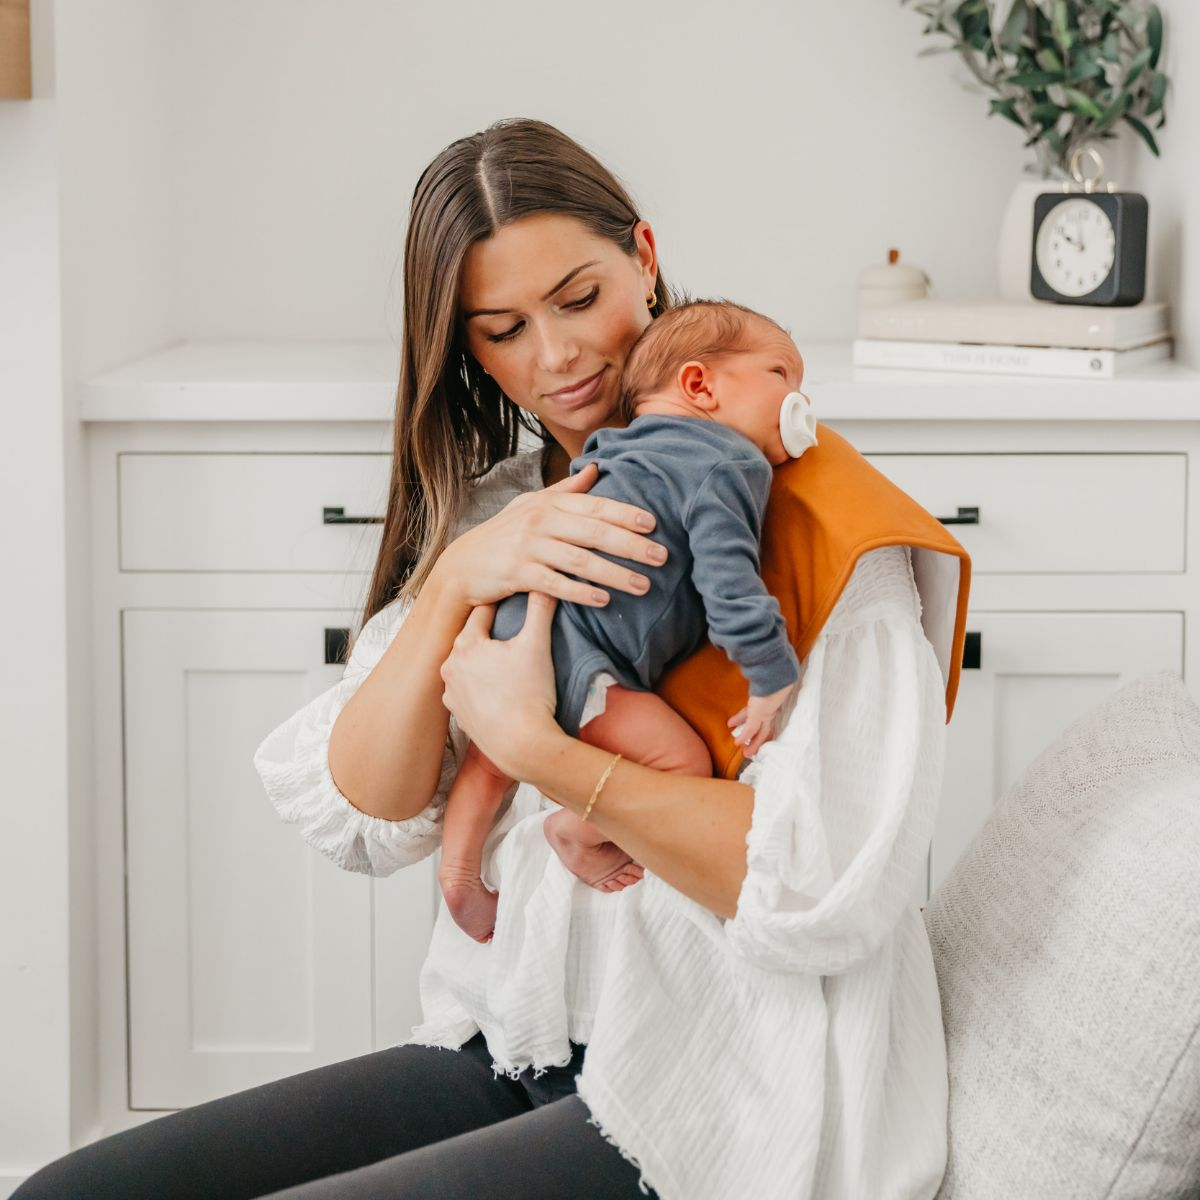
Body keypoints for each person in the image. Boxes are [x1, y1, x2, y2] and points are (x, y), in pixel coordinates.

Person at [13, 117, 954, 1200]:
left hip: (726, 1093)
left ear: (644, 260)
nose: (555, 357)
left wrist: (538, 750)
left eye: (578, 298)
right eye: (503, 329)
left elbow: (827, 885)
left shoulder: (826, 529)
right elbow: (369, 802)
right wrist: (460, 575)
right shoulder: (498, 510)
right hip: (513, 1047)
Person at [439, 298, 820, 946]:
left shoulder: (621, 447)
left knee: (489, 757)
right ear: (700, 384)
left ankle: (458, 872)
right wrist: (769, 674)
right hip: (583, 656)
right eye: (782, 376)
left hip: (510, 623)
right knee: (682, 765)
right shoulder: (728, 461)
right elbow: (727, 580)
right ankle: (575, 832)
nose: (801, 402)